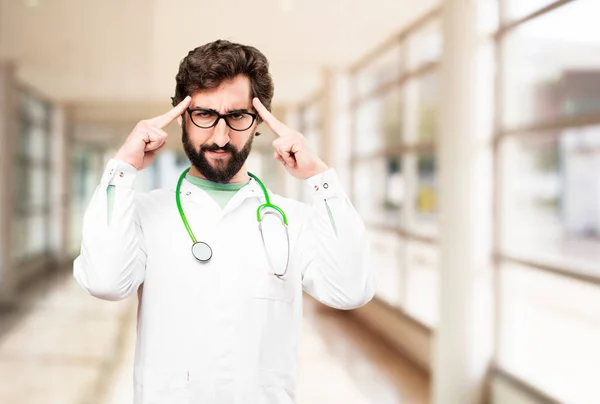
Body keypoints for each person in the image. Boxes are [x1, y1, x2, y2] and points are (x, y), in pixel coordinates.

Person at [73, 39, 374, 404]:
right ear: (182, 116)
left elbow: (350, 289)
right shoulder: (144, 215)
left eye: (236, 116)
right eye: (204, 115)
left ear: (257, 121)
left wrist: (321, 179)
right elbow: (104, 282)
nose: (220, 137)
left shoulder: (292, 220)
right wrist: (122, 167)